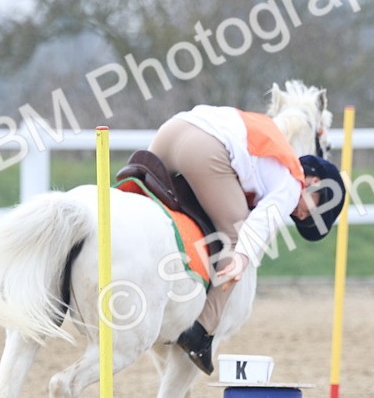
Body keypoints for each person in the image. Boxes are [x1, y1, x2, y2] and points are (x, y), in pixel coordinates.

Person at [148, 102, 346, 374]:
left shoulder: (268, 146)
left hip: (168, 133)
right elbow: (260, 223)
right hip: (203, 148)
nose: (301, 217)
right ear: (313, 182)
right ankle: (201, 332)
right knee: (236, 234)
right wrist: (241, 258)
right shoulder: (292, 181)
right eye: (312, 209)